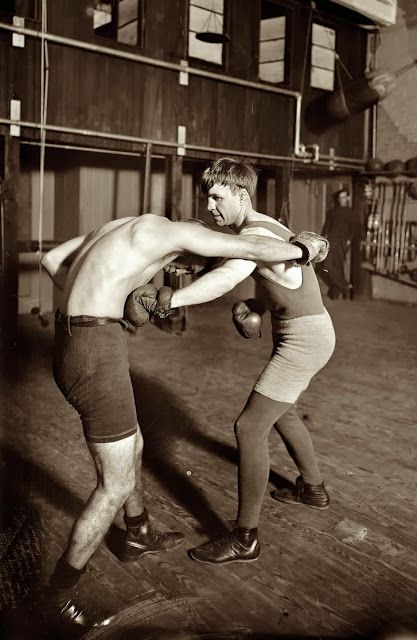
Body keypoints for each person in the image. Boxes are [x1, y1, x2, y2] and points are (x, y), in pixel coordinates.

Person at [40, 213, 326, 629]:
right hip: (95, 354)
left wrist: (93, 307)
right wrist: (304, 250)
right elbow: (249, 248)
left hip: (77, 340)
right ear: (193, 246)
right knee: (114, 484)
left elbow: (51, 260)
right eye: (186, 266)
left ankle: (137, 532)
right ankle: (57, 596)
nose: (179, 272)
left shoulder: (122, 225)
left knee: (133, 443)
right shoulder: (177, 234)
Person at [130, 159, 336, 564]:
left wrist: (173, 300)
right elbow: (286, 282)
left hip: (304, 340)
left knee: (248, 427)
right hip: (306, 330)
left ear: (241, 195)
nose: (210, 206)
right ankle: (312, 488)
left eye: (217, 197)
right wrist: (255, 304)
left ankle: (245, 538)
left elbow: (227, 277)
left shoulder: (255, 234)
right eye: (207, 197)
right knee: (283, 412)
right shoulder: (266, 225)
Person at [318, 187, 357, 300]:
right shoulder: (332, 211)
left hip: (342, 243)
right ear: (338, 199)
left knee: (335, 266)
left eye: (344, 197)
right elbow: (326, 226)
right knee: (327, 266)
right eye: (340, 197)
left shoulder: (350, 212)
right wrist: (323, 238)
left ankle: (338, 291)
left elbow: (354, 228)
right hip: (331, 241)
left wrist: (349, 240)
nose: (342, 199)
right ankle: (344, 286)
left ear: (347, 198)